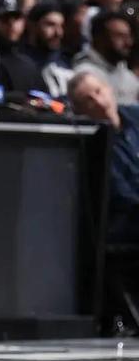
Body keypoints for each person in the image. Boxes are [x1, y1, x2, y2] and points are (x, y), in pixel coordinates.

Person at [67, 71, 139, 244]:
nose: (99, 102)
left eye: (98, 91)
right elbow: (124, 198)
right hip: (126, 229)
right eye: (89, 100)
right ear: (80, 111)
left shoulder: (135, 115)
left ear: (109, 89)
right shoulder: (93, 146)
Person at [73, 11, 139, 105]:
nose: (128, 43)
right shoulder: (85, 75)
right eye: (120, 36)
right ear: (99, 38)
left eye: (128, 36)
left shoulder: (128, 76)